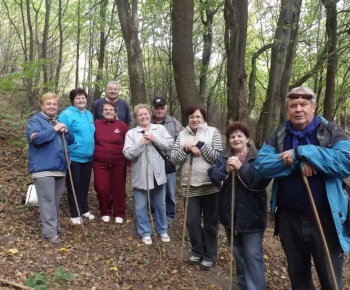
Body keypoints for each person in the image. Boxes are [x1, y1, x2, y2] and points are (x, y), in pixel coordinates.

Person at [254, 86, 350, 289]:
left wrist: (304, 152)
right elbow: (261, 165)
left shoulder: (331, 131)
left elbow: (346, 162)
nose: (299, 109)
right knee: (298, 278)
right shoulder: (279, 135)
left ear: (313, 107)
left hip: (326, 220)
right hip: (289, 221)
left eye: (304, 104)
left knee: (331, 280)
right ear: (287, 110)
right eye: (293, 105)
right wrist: (296, 163)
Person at [208, 122, 269, 290]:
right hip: (230, 215)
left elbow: (260, 181)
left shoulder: (259, 157)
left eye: (239, 136)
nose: (236, 139)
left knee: (252, 255)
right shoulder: (223, 156)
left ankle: (256, 287)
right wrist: (225, 170)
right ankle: (242, 283)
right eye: (232, 137)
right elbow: (213, 176)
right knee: (238, 252)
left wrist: (241, 168)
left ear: (247, 138)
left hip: (252, 216)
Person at [171, 105, 223, 271]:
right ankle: (197, 250)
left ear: (204, 119)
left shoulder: (212, 132)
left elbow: (217, 157)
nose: (195, 120)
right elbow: (174, 159)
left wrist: (199, 144)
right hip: (189, 186)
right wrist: (187, 148)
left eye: (198, 117)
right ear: (188, 119)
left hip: (210, 184)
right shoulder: (182, 135)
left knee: (210, 222)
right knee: (192, 222)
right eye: (192, 117)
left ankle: (209, 255)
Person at [26, 92, 74, 246]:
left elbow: (71, 140)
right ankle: (49, 233)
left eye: (54, 104)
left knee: (55, 200)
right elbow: (35, 138)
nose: (52, 106)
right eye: (49, 104)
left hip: (59, 167)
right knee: (47, 200)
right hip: (43, 168)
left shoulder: (56, 121)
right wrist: (55, 129)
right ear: (42, 105)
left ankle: (55, 226)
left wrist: (65, 130)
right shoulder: (36, 120)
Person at [123, 104, 173, 245]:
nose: (143, 117)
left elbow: (170, 144)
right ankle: (145, 232)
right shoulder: (131, 134)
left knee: (161, 204)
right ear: (136, 118)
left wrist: (155, 139)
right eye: (140, 115)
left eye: (145, 114)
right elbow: (127, 154)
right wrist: (140, 143)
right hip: (141, 174)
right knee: (140, 206)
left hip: (158, 173)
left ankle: (162, 230)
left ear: (150, 114)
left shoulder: (160, 129)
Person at [59, 88, 95, 225]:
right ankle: (75, 213)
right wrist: (66, 153)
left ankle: (84, 209)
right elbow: (61, 136)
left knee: (85, 185)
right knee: (74, 185)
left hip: (88, 157)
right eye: (78, 98)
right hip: (73, 157)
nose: (81, 100)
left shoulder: (89, 115)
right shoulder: (66, 114)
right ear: (73, 100)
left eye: (83, 98)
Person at [93, 102, 128, 223]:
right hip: (99, 162)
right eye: (106, 109)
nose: (108, 111)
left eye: (111, 110)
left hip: (119, 161)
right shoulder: (96, 125)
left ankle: (119, 212)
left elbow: (127, 144)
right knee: (101, 188)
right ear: (102, 112)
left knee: (119, 187)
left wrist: (128, 162)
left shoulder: (122, 126)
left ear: (115, 112)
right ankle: (106, 211)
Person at [151, 96, 183, 224]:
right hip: (152, 163)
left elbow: (181, 140)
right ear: (153, 109)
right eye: (157, 108)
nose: (159, 110)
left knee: (169, 190)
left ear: (166, 108)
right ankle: (155, 212)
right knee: (153, 189)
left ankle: (169, 215)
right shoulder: (148, 122)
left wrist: (177, 162)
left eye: (162, 108)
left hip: (169, 163)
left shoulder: (173, 123)